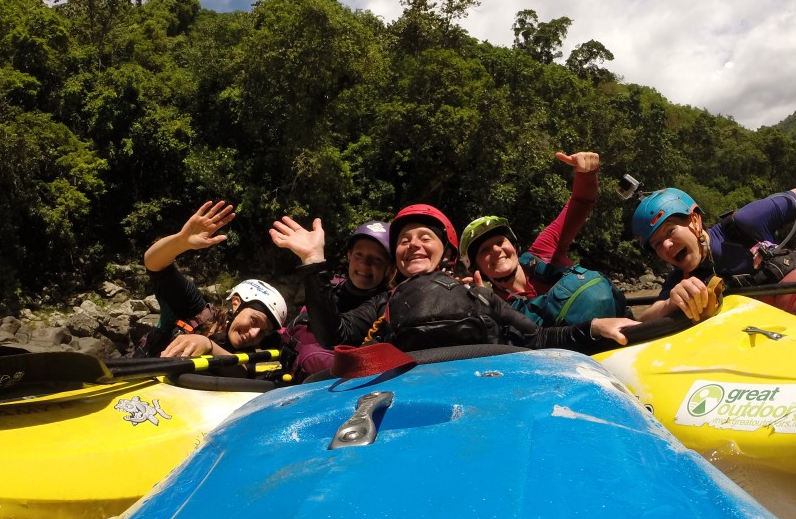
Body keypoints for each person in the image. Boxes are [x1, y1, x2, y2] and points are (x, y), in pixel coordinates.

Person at [270, 204, 638, 356]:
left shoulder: (476, 296)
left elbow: (537, 338)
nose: (413, 244)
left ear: (446, 254)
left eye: (424, 238)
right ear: (396, 257)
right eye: (403, 240)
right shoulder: (384, 304)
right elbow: (332, 335)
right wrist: (313, 262)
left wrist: (594, 328)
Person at [631, 182, 796, 324]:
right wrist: (669, 304)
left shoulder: (746, 224)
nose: (665, 246)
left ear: (695, 221)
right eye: (656, 244)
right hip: (792, 353)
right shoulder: (679, 284)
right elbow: (645, 320)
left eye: (669, 232)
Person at [459, 152, 633, 326]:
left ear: (513, 245)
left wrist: (587, 174)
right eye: (485, 251)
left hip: (623, 327)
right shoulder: (489, 304)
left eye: (499, 242)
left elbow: (581, 201)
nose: (496, 250)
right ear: (478, 269)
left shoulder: (544, 248)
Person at [138, 200, 288, 358]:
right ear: (236, 303)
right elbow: (154, 264)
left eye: (263, 332)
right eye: (254, 321)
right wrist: (181, 241)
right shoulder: (193, 307)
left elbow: (244, 372)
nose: (254, 334)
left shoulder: (249, 352)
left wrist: (209, 347)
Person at [285, 220, 393, 380]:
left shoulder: (383, 304)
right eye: (359, 255)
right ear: (349, 256)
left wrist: (313, 261)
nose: (364, 264)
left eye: (376, 259)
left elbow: (334, 336)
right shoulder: (330, 288)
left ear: (389, 268)